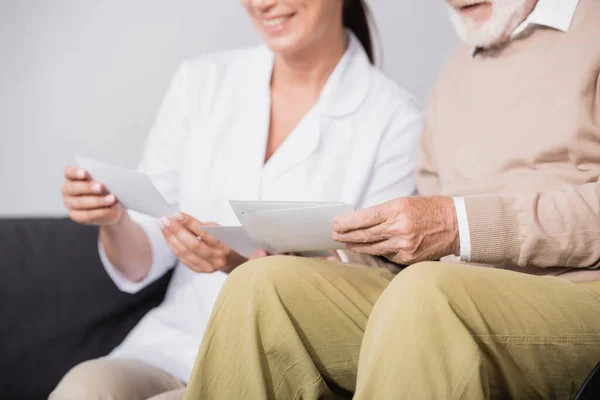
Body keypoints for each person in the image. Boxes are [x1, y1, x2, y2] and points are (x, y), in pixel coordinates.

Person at [183, 0, 600, 399]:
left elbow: (451, 229)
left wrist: (459, 224)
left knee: (428, 294)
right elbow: (430, 243)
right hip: (448, 286)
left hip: (578, 293)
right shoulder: (456, 71)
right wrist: (336, 254)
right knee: (263, 284)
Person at [50, 0, 423, 399]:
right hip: (172, 344)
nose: (262, 4)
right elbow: (141, 260)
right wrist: (113, 220)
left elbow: (367, 286)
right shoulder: (201, 83)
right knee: (81, 389)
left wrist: (241, 264)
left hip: (275, 357)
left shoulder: (397, 120)